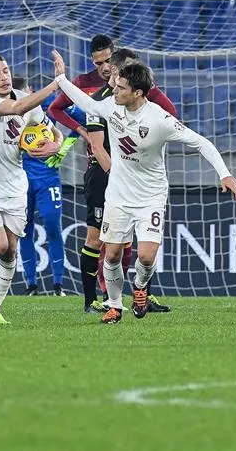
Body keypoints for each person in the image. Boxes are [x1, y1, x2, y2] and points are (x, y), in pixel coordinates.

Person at [53, 54, 236, 324]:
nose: (113, 89)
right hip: (118, 193)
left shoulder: (159, 119)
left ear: (138, 93)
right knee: (113, 254)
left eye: (120, 88)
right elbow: (85, 102)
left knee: (146, 255)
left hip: (150, 195)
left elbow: (200, 142)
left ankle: (140, 287)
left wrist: (224, 174)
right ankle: (115, 306)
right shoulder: (111, 106)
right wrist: (60, 77)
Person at [0, 52, 63, 324]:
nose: (3, 76)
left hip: (15, 186)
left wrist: (55, 145)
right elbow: (16, 109)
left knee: (11, 251)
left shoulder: (26, 100)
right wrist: (55, 85)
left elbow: (54, 132)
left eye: (5, 71)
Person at [83, 48, 177, 314]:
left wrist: (149, 88)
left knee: (140, 249)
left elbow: (170, 112)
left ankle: (140, 293)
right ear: (115, 71)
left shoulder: (141, 102)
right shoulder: (101, 100)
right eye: (122, 70)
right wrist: (115, 173)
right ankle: (96, 299)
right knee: (99, 241)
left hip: (138, 178)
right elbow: (96, 145)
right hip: (106, 175)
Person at [12, 77, 67, 296]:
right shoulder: (9, 114)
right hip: (21, 178)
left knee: (53, 225)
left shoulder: (44, 106)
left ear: (31, 91)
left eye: (25, 94)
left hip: (48, 176)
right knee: (24, 229)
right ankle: (31, 284)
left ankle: (58, 284)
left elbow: (71, 126)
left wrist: (59, 148)